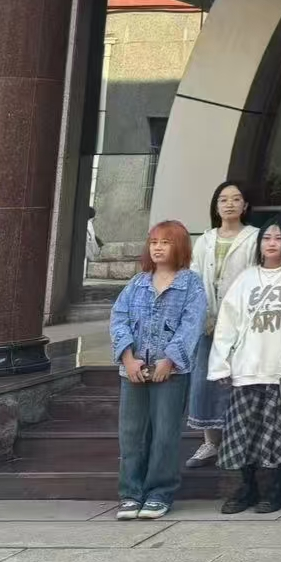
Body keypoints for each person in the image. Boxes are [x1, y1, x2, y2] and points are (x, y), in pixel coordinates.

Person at [208, 219, 281, 515]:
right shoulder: (246, 279)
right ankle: (243, 490)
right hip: (245, 368)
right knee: (242, 432)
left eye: (277, 238)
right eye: (266, 238)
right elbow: (227, 324)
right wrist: (221, 363)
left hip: (280, 370)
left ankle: (273, 491)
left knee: (276, 433)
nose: (271, 243)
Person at [111, 221, 207, 521]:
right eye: (153, 242)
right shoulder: (137, 283)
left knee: (165, 434)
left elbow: (192, 324)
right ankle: (130, 493)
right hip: (134, 372)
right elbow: (119, 318)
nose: (158, 248)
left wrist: (170, 360)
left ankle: (159, 493)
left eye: (165, 242)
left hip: (172, 373)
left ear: (180, 246)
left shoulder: (191, 284)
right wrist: (128, 359)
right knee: (131, 435)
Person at [185, 181, 258, 472]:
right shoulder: (205, 240)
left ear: (245, 205)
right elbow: (194, 280)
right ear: (216, 206)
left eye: (236, 199)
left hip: (240, 323)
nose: (229, 204)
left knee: (237, 381)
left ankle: (238, 442)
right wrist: (203, 317)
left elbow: (255, 279)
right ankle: (210, 442)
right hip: (207, 323)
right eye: (223, 199)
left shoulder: (254, 237)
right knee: (205, 381)